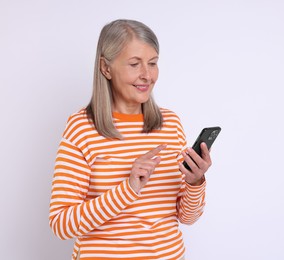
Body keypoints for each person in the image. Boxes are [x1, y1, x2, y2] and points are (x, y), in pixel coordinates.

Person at [49, 19, 212, 260]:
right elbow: (61, 225)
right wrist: (129, 188)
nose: (147, 75)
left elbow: (187, 218)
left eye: (153, 63)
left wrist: (195, 182)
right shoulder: (81, 127)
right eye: (135, 64)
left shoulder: (170, 124)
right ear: (106, 68)